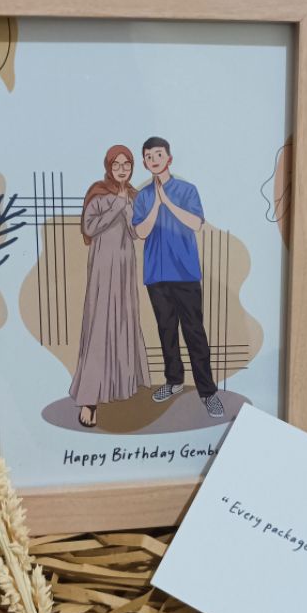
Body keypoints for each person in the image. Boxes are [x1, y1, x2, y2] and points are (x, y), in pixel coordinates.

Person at [132, 136, 224, 418]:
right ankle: (174, 381)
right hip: (156, 275)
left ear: (169, 158)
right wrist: (156, 205)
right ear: (145, 162)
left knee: (194, 332)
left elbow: (196, 223)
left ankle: (208, 393)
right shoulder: (143, 196)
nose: (153, 159)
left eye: (158, 154)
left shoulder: (186, 190)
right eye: (148, 156)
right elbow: (141, 232)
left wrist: (168, 203)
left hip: (185, 273)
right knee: (166, 331)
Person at [69, 144, 150, 427]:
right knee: (100, 326)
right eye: (117, 164)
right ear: (108, 166)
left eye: (127, 164)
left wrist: (131, 209)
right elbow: (89, 228)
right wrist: (116, 205)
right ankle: (89, 400)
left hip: (125, 269)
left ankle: (119, 390)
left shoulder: (134, 196)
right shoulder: (98, 193)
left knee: (123, 323)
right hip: (103, 269)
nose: (122, 169)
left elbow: (136, 233)